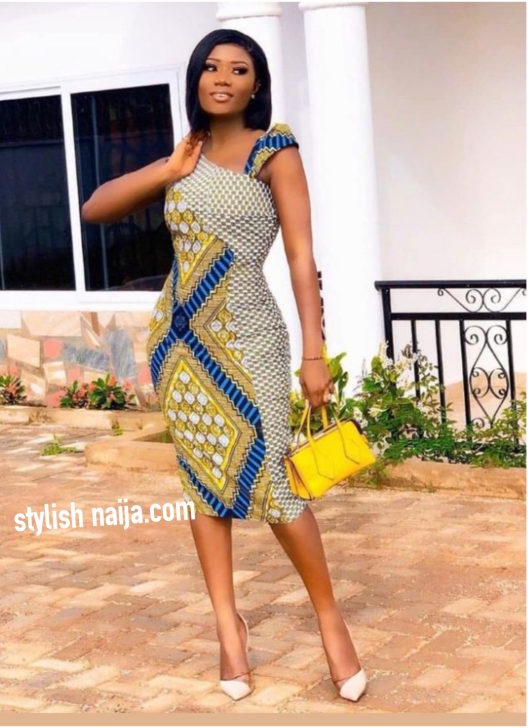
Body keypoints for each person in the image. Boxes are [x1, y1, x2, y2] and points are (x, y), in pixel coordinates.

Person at [82, 28, 367, 704]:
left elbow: (300, 257)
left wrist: (315, 351)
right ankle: (227, 628)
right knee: (205, 485)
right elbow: (95, 208)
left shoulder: (275, 149)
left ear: (255, 84)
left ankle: (330, 621)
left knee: (277, 485)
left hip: (250, 336)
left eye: (238, 70)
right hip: (181, 345)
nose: (222, 79)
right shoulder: (187, 154)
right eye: (211, 67)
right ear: (196, 79)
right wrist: (168, 171)